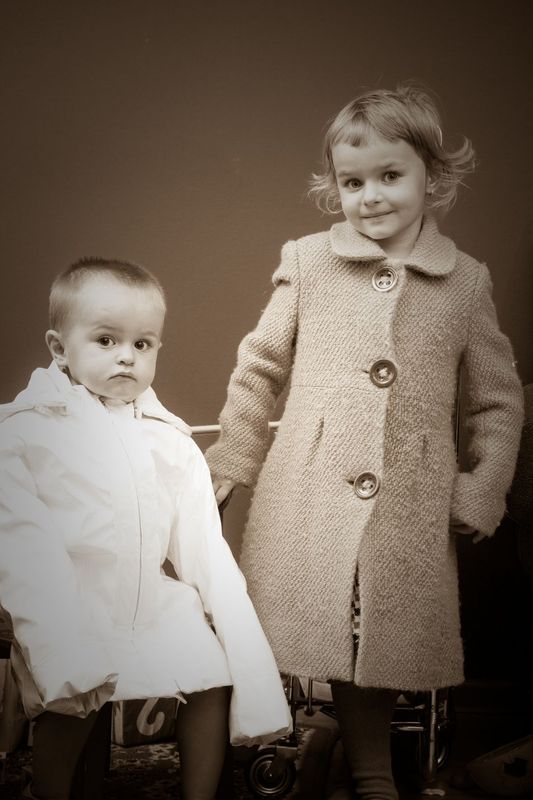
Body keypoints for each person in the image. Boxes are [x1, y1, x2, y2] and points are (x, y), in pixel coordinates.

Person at [205, 85, 524, 800]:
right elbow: (260, 365)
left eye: (389, 177)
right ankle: (270, 760)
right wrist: (233, 458)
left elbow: (497, 401)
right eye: (352, 182)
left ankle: (369, 766)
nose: (369, 196)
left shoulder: (464, 284)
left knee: (371, 635)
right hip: (307, 490)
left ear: (431, 179)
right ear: (333, 187)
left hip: (406, 503)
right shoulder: (309, 262)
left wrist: (480, 488)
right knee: (294, 624)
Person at [0, 258, 291, 800]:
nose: (127, 357)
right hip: (73, 602)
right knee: (72, 693)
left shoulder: (168, 439)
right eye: (107, 340)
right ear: (60, 348)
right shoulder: (26, 434)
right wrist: (57, 628)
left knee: (211, 673)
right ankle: (48, 792)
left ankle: (199, 795)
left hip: (151, 601)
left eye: (143, 344)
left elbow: (201, 543)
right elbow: (23, 545)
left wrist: (230, 623)